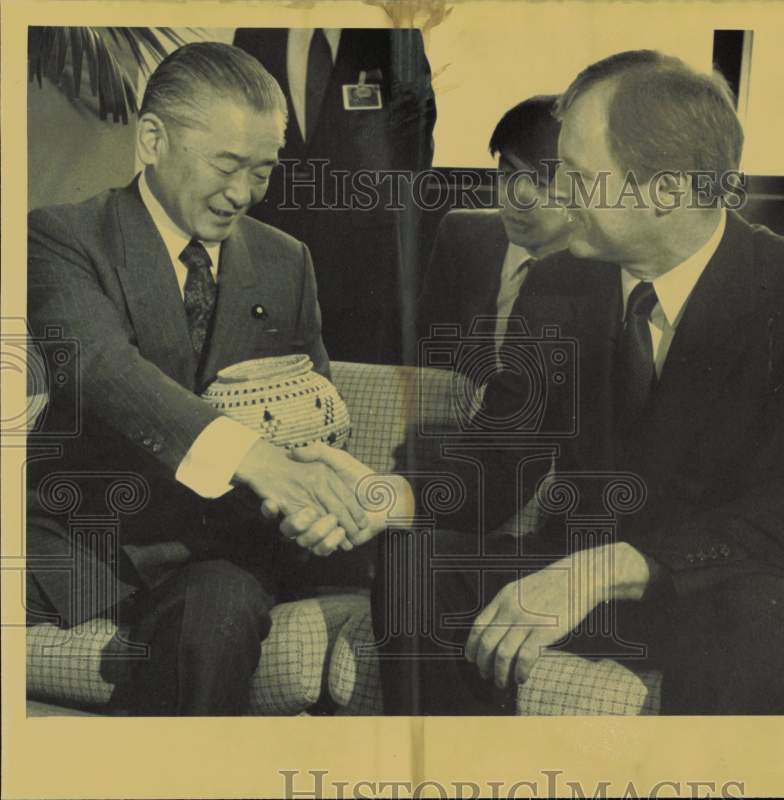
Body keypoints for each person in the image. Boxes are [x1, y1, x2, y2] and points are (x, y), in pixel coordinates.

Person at [283, 49, 784, 715]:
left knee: (774, 618)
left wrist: (608, 569)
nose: (557, 193)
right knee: (418, 567)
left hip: (713, 589)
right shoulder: (558, 282)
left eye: (573, 173)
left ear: (665, 191)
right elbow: (499, 459)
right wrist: (384, 497)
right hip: (579, 579)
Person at [25, 42, 372, 716]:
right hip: (79, 541)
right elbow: (98, 367)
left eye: (262, 171)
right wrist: (259, 460)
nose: (243, 193)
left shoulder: (287, 261)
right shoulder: (64, 237)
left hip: (218, 551)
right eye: (226, 165)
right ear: (153, 140)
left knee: (211, 629)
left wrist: (312, 505)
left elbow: (315, 413)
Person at [232, 28, 437, 365]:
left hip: (364, 253)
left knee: (360, 368)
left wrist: (387, 210)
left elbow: (416, 131)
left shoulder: (387, 33)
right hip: (275, 241)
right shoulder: (256, 34)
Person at [415, 95, 572, 368]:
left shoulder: (605, 261)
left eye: (541, 182)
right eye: (508, 175)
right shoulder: (461, 236)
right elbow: (429, 359)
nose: (518, 199)